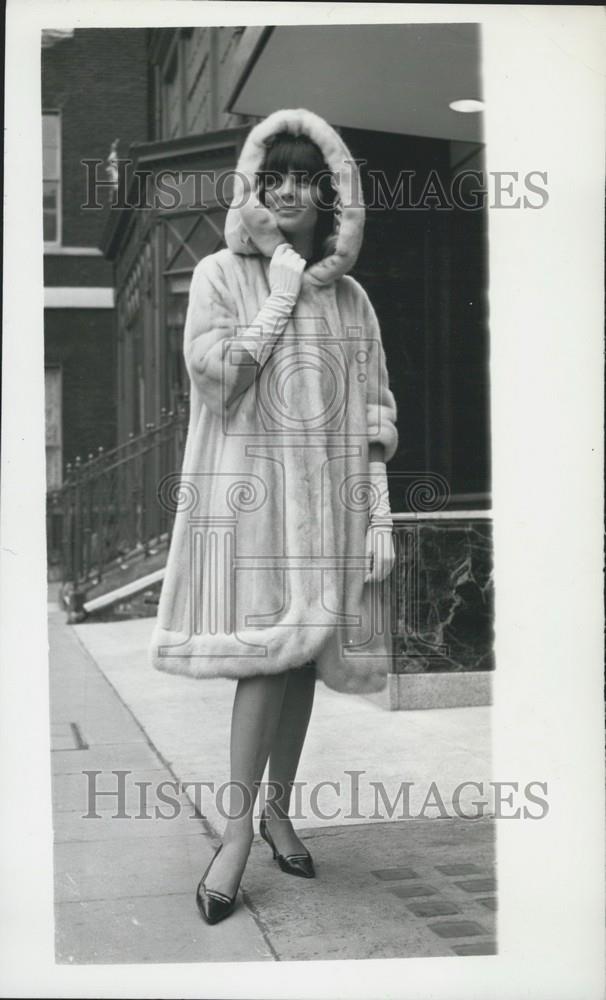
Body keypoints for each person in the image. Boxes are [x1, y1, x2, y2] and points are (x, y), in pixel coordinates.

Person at [149, 108, 399, 925]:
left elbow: (374, 413)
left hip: (329, 509)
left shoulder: (353, 299)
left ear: (331, 196)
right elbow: (217, 378)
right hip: (250, 506)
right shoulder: (221, 273)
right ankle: (234, 836)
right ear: (254, 191)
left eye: (305, 180)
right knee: (262, 661)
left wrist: (379, 516)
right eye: (274, 179)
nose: (289, 192)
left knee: (299, 661)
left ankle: (277, 812)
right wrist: (280, 296)